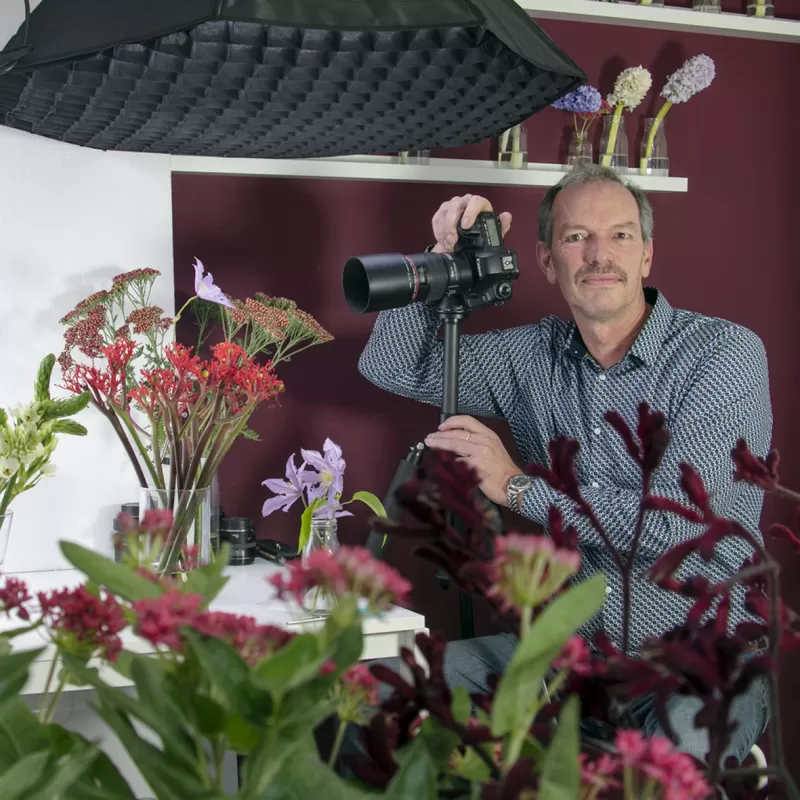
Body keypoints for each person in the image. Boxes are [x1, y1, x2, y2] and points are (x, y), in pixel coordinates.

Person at [357, 165, 771, 767]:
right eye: (577, 237)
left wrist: (517, 487)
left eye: (621, 235)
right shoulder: (534, 357)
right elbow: (394, 364)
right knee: (373, 685)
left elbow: (683, 526)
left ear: (648, 255)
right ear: (548, 261)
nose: (600, 254)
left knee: (669, 757)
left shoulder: (722, 355)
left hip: (700, 663)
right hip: (570, 657)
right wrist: (440, 258)